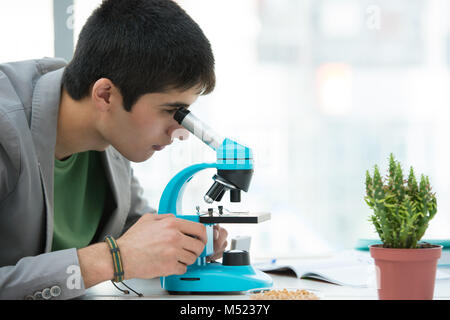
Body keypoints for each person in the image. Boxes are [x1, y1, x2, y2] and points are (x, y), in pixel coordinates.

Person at [0, 0, 228, 300]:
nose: (181, 132)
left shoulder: (112, 133)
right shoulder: (6, 129)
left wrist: (181, 241)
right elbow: (121, 252)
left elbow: (129, 229)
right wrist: (112, 259)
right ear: (106, 95)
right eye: (172, 110)